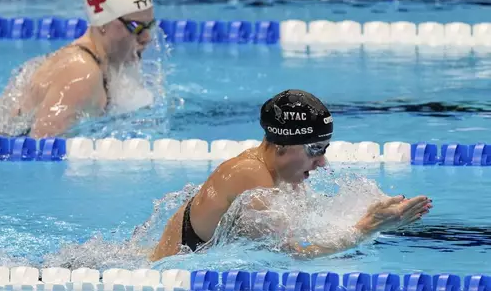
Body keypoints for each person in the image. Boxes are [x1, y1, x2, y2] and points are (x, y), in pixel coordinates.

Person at [149, 89, 432, 261]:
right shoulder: (249, 173)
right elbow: (293, 252)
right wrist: (365, 229)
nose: (323, 163)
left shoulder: (283, 176)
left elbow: (309, 225)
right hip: (169, 279)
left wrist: (374, 210)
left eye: (324, 149)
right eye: (315, 149)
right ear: (283, 145)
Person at [0, 0, 156, 138]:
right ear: (102, 24)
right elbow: (42, 146)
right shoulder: (81, 73)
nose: (146, 38)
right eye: (136, 27)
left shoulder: (99, 64)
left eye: (149, 26)